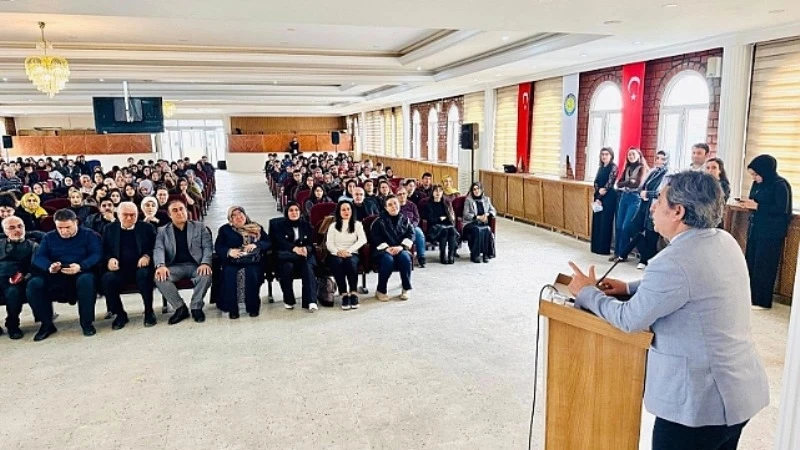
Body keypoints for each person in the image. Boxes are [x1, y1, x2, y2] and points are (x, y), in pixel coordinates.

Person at [567, 171, 769, 450]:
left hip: (699, 405)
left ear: (678, 211)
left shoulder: (673, 260)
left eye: (659, 200)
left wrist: (586, 292)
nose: (652, 206)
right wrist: (629, 288)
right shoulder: (723, 240)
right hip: (738, 392)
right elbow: (693, 283)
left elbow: (629, 319)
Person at [28, 209, 102, 340]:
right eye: (59, 228)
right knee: (34, 284)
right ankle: (46, 324)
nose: (64, 231)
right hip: (57, 273)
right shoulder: (49, 237)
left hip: (81, 271)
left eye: (67, 227)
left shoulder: (89, 235)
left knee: (86, 280)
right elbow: (39, 257)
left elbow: (96, 254)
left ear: (76, 223)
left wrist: (81, 266)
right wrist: (49, 266)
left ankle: (87, 323)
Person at [740, 154, 793, 310]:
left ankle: (762, 300)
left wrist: (758, 207)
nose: (754, 177)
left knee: (765, 266)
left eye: (756, 174)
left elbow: (781, 210)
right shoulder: (757, 184)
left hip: (771, 233)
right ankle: (750, 297)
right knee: (752, 263)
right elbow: (754, 200)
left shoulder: (780, 185)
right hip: (756, 229)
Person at [154, 200, 213, 325]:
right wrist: (161, 265)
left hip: (196, 265)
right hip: (175, 266)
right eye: (175, 210)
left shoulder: (199, 227)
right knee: (159, 277)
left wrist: (205, 263)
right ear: (170, 215)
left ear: (187, 211)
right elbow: (158, 249)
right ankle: (180, 308)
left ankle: (196, 306)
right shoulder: (162, 231)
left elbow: (208, 247)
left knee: (206, 275)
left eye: (182, 209)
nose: (179, 212)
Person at [101, 202, 157, 329]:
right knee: (107, 279)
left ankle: (149, 311)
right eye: (125, 215)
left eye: (133, 215)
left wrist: (147, 256)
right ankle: (120, 314)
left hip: (140, 267)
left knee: (144, 274)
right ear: (118, 215)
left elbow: (154, 246)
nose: (129, 218)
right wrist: (109, 259)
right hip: (119, 269)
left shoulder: (147, 228)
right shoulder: (109, 229)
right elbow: (105, 249)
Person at [215, 206, 270, 319]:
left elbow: (267, 242)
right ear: (230, 219)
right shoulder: (225, 230)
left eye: (240, 214)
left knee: (252, 274)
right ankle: (232, 309)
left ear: (245, 215)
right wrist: (229, 251)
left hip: (252, 261)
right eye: (233, 215)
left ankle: (253, 308)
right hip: (233, 261)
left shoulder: (256, 227)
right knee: (229, 275)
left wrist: (256, 245)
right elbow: (219, 247)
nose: (238, 217)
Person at [270, 202, 318, 311]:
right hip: (287, 256)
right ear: (286, 212)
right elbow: (279, 242)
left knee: (308, 267)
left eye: (296, 210)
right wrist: (294, 248)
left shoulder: (306, 225)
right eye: (291, 210)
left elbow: (311, 243)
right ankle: (289, 299)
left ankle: (311, 301)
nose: (294, 213)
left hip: (304, 256)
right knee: (287, 267)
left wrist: (306, 249)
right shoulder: (278, 225)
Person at [0, 216, 38, 340]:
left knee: (13, 292)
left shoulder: (33, 246)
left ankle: (13, 324)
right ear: (5, 231)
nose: (17, 230)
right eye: (11, 228)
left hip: (17, 280)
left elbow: (35, 268)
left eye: (20, 226)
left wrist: (24, 276)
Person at [370, 196, 414, 301]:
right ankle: (381, 290)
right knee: (387, 260)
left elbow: (411, 235)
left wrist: (401, 247)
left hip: (400, 249)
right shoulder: (378, 221)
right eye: (390, 205)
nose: (394, 206)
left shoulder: (405, 219)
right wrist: (387, 248)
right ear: (385, 208)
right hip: (383, 250)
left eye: (395, 203)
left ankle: (406, 288)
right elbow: (375, 237)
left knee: (405, 258)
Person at [325, 200, 367, 310]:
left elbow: (362, 240)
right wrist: (338, 252)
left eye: (348, 209)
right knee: (337, 263)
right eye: (343, 209)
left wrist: (348, 251)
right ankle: (343, 293)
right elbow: (329, 243)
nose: (346, 211)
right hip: (335, 253)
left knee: (350, 263)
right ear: (339, 212)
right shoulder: (333, 226)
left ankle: (353, 293)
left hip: (352, 252)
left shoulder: (357, 224)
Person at [634, 151, 669, 269]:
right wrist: (642, 192)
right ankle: (651, 256)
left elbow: (662, 193)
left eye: (662, 159)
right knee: (631, 228)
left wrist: (648, 194)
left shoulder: (668, 174)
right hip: (643, 205)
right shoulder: (653, 171)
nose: (659, 161)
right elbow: (641, 187)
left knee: (651, 234)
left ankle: (645, 260)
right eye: (657, 158)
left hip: (655, 206)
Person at [612, 148, 648, 262]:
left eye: (633, 154)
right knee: (618, 225)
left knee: (626, 227)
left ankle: (623, 254)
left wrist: (628, 183)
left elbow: (637, 184)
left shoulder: (642, 168)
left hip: (634, 198)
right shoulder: (627, 168)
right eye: (629, 154)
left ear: (639, 155)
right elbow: (618, 184)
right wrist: (629, 182)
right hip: (624, 197)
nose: (631, 156)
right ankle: (616, 252)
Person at [590, 148, 619, 255]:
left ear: (611, 155)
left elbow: (610, 181)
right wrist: (598, 193)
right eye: (602, 154)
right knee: (597, 221)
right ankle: (595, 247)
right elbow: (596, 182)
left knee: (605, 222)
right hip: (598, 195)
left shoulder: (613, 167)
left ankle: (603, 249)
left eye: (606, 154)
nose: (604, 156)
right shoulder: (600, 168)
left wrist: (603, 191)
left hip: (608, 197)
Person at [423, 185, 459, 265]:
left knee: (451, 229)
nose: (438, 193)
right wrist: (439, 219)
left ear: (442, 193)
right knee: (444, 231)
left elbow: (451, 218)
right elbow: (429, 220)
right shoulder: (428, 205)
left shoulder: (446, 204)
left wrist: (450, 219)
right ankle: (442, 255)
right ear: (432, 193)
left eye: (440, 191)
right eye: (436, 191)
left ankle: (451, 255)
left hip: (447, 226)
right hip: (434, 228)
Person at [462, 182, 496, 263]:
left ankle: (486, 254)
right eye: (474, 189)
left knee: (487, 229)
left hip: (483, 223)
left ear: (481, 190)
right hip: (470, 223)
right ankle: (475, 255)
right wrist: (478, 217)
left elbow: (493, 210)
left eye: (478, 189)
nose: (476, 191)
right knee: (477, 230)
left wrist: (487, 214)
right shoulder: (468, 200)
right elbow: (465, 214)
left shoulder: (486, 199)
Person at [395, 187, 427, 268]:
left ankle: (421, 257)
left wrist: (412, 226)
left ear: (406, 195)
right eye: (399, 194)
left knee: (419, 233)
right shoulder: (394, 205)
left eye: (404, 194)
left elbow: (417, 218)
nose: (402, 196)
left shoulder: (412, 205)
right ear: (396, 196)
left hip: (412, 226)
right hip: (398, 228)